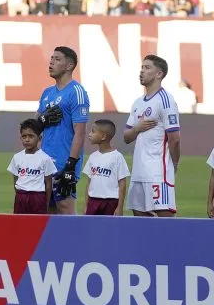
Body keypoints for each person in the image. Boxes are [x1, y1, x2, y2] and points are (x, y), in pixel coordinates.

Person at [123, 55, 181, 217]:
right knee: (140, 219)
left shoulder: (165, 100)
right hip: (138, 173)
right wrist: (137, 128)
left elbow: (175, 139)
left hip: (157, 173)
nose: (142, 71)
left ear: (159, 74)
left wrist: (174, 164)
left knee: (164, 220)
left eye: (147, 68)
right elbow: (126, 137)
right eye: (142, 67)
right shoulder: (138, 103)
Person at [36, 46, 89, 215]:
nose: (51, 62)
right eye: (51, 58)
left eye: (57, 59)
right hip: (45, 161)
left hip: (63, 161)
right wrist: (42, 120)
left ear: (69, 65)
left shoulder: (77, 92)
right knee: (47, 210)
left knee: (64, 208)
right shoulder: (47, 92)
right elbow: (35, 126)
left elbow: (80, 133)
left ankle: (74, 242)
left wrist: (70, 165)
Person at [8, 119, 56, 214]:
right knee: (19, 225)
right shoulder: (17, 157)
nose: (27, 139)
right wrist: (19, 195)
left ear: (39, 137)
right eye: (24, 136)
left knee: (37, 226)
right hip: (21, 196)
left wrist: (45, 203)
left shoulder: (45, 158)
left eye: (31, 136)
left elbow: (48, 184)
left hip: (38, 197)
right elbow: (15, 180)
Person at [81, 119, 128, 216]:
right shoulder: (92, 157)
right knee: (92, 229)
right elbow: (89, 182)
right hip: (93, 201)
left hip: (111, 203)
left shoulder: (117, 157)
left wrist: (119, 207)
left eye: (93, 132)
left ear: (103, 136)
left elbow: (122, 184)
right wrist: (86, 205)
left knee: (109, 230)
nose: (89, 134)